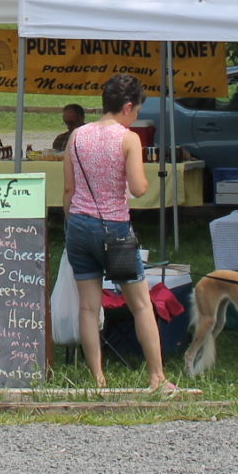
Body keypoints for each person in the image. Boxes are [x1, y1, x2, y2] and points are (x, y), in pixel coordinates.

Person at [60, 73, 171, 392]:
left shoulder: (77, 136)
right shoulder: (128, 138)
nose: (136, 117)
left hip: (79, 226)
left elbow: (68, 189)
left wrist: (74, 221)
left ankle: (97, 379)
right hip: (115, 231)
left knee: (87, 307)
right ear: (126, 107)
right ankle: (157, 378)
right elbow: (138, 188)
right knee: (140, 304)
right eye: (136, 111)